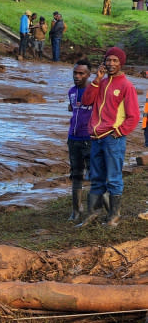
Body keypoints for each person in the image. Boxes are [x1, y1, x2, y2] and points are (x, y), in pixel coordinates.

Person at [78, 47, 140, 227]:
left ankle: (114, 217)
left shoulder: (126, 86)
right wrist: (96, 79)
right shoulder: (102, 83)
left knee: (113, 177)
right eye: (108, 60)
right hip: (96, 138)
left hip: (113, 139)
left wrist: (118, 132)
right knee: (96, 177)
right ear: (103, 62)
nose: (111, 64)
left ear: (121, 63)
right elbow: (87, 101)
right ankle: (93, 214)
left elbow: (134, 116)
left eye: (115, 60)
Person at [67, 60, 93, 221]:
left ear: (89, 75)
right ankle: (76, 211)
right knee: (76, 175)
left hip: (90, 140)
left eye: (81, 73)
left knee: (95, 176)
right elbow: (72, 109)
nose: (77, 76)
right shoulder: (71, 92)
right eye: (75, 73)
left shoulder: (94, 92)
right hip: (73, 139)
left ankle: (97, 210)